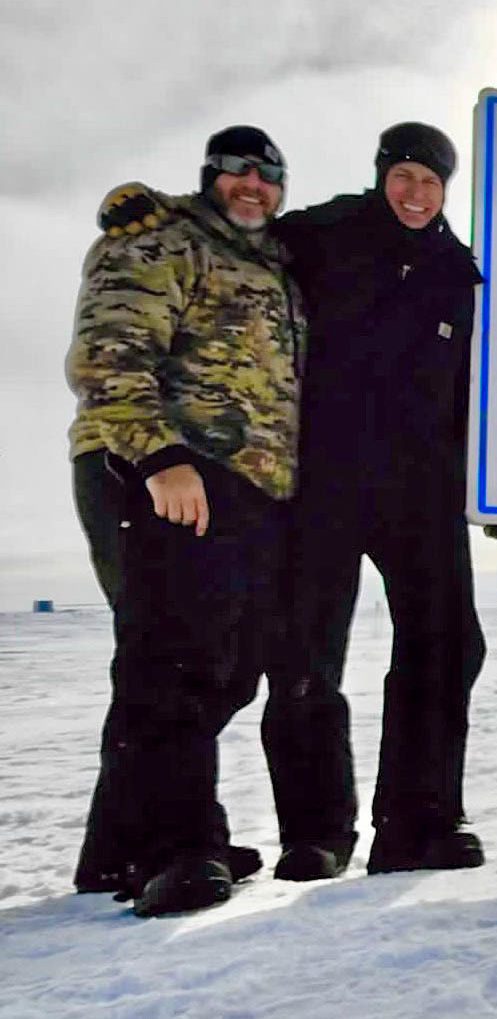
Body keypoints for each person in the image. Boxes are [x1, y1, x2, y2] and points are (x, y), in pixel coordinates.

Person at [65, 126, 304, 916]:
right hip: (159, 470)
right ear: (210, 176)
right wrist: (158, 455)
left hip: (238, 485)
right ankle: (175, 849)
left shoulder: (273, 263)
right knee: (172, 661)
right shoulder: (162, 236)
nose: (252, 185)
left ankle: (116, 850)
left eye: (268, 175)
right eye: (236, 171)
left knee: (222, 666)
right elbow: (110, 350)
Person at [263, 122, 487, 878]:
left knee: (448, 642)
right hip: (323, 477)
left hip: (422, 485)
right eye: (404, 178)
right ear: (382, 175)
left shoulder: (460, 271)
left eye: (431, 182)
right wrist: (157, 213)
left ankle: (420, 822)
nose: (416, 194)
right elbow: (240, 228)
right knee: (305, 650)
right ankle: (315, 832)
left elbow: (487, 386)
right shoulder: (321, 235)